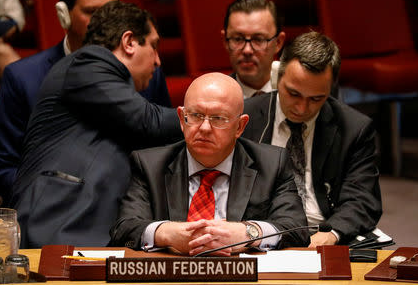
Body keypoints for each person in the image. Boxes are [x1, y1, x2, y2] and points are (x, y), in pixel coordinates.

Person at [10, 0, 183, 248]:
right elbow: (148, 121)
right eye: (154, 46)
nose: (157, 61)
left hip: (83, 226)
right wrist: (207, 116)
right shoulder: (89, 62)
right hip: (58, 219)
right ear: (129, 42)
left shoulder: (106, 81)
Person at [0, 0, 171, 206]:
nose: (105, 21)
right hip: (54, 217)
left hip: (132, 213)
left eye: (111, 9)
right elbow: (6, 169)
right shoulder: (23, 78)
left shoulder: (149, 72)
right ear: (63, 15)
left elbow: (163, 151)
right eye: (92, 12)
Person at [109, 72, 309, 255]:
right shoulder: (149, 165)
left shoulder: (272, 164)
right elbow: (124, 228)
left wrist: (247, 233)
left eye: (218, 118)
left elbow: (297, 229)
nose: (204, 128)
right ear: (181, 118)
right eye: (195, 115)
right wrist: (167, 233)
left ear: (240, 126)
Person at [242, 31, 382, 247]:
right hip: (259, 234)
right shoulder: (245, 118)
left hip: (323, 233)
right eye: (293, 94)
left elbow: (362, 199)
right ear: (277, 77)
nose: (301, 108)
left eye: (316, 99)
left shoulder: (355, 129)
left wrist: (332, 234)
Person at [221, 0, 285, 99]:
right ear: (225, 41)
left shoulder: (301, 95)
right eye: (238, 39)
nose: (247, 50)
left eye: (258, 40)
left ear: (278, 42)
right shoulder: (214, 102)